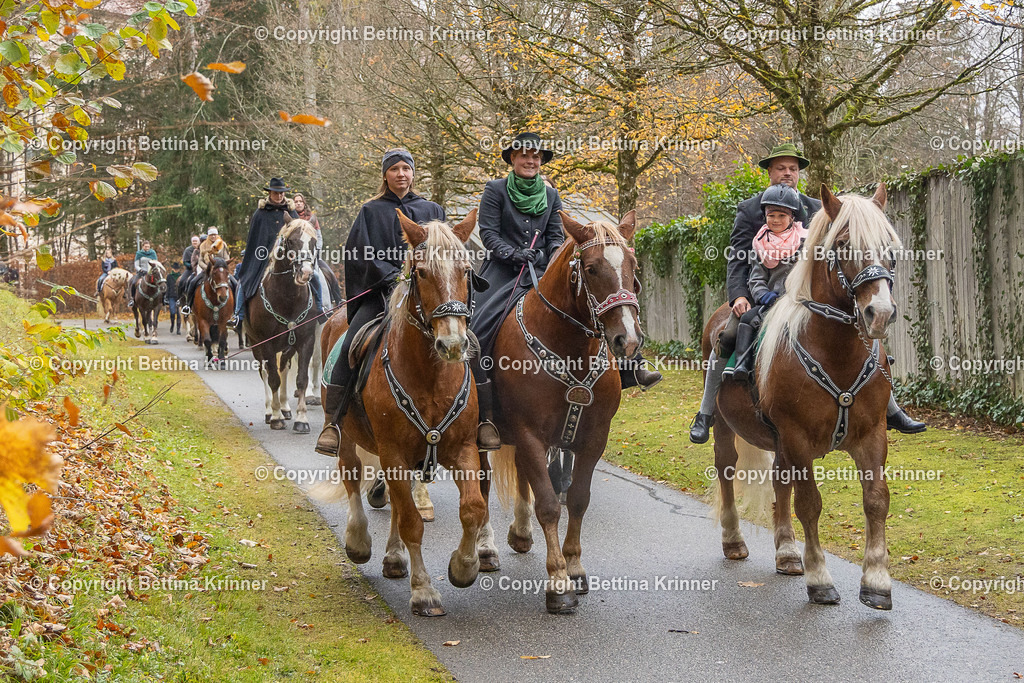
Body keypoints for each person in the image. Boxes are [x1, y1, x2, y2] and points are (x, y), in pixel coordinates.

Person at [315, 148, 446, 456]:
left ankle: (478, 418)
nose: (401, 174)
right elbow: (360, 253)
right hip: (381, 295)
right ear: (385, 175)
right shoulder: (370, 211)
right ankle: (333, 422)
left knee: (463, 339)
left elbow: (445, 254)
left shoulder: (432, 209)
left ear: (413, 173)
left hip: (426, 297)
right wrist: (394, 277)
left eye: (406, 168)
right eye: (394, 169)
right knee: (349, 345)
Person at [227, 178, 310, 329]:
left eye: (281, 193)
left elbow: (298, 237)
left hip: (288, 257)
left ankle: (321, 308)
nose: (279, 196)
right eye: (276, 193)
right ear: (270, 193)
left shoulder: (291, 212)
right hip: (262, 258)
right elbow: (253, 239)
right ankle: (238, 315)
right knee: (244, 280)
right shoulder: (260, 214)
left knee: (313, 276)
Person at [181, 227, 229, 316]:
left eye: (215, 235)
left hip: (220, 270)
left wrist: (221, 266)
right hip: (207, 270)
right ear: (208, 236)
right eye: (211, 235)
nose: (213, 236)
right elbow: (200, 260)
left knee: (235, 283)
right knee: (192, 282)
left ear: (217, 235)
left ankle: (236, 311)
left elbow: (227, 258)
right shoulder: (203, 245)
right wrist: (207, 268)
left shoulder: (223, 244)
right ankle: (188, 306)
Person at [126, 240, 158, 307]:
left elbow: (156, 263)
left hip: (151, 272)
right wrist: (140, 269)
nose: (147, 248)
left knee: (160, 282)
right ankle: (132, 299)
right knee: (134, 283)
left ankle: (162, 299)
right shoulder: (139, 253)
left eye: (148, 247)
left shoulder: (153, 253)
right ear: (142, 247)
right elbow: (136, 264)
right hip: (141, 272)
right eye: (146, 247)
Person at [165, 261, 182, 334]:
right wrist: (166, 297)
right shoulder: (169, 276)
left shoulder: (181, 276)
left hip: (179, 296)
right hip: (171, 296)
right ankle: (172, 325)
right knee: (172, 311)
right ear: (172, 269)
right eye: (175, 269)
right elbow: (167, 287)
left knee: (179, 313)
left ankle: (178, 329)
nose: (176, 270)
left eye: (177, 269)